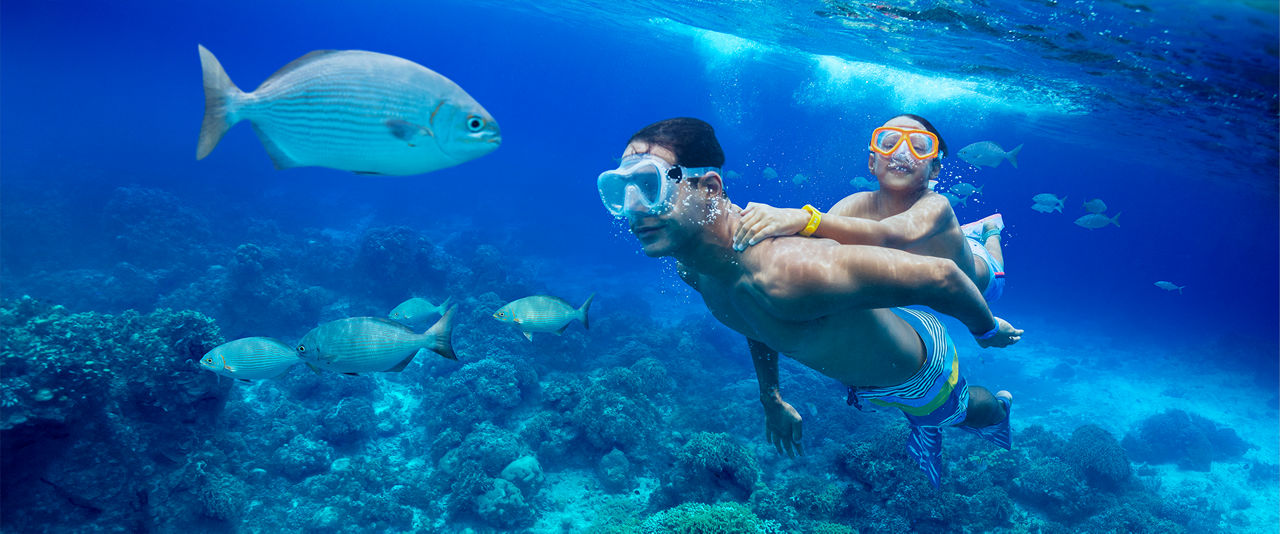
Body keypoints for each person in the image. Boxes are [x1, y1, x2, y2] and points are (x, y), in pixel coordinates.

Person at [595, 117, 1023, 489]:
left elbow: (943, 276)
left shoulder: (787, 271)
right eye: (619, 189)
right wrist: (771, 398)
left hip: (919, 372)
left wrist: (986, 331)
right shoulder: (697, 268)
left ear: (709, 188)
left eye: (648, 185)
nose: (633, 210)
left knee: (960, 412)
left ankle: (999, 408)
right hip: (867, 361)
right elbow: (753, 321)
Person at [731, 114, 1007, 303]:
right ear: (871, 164)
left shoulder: (936, 204)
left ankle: (990, 229)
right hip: (924, 270)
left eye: (918, 147)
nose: (901, 153)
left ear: (934, 169)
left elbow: (889, 234)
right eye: (889, 144)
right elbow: (814, 246)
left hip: (982, 279)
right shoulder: (856, 204)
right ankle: (968, 233)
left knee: (987, 258)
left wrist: (803, 217)